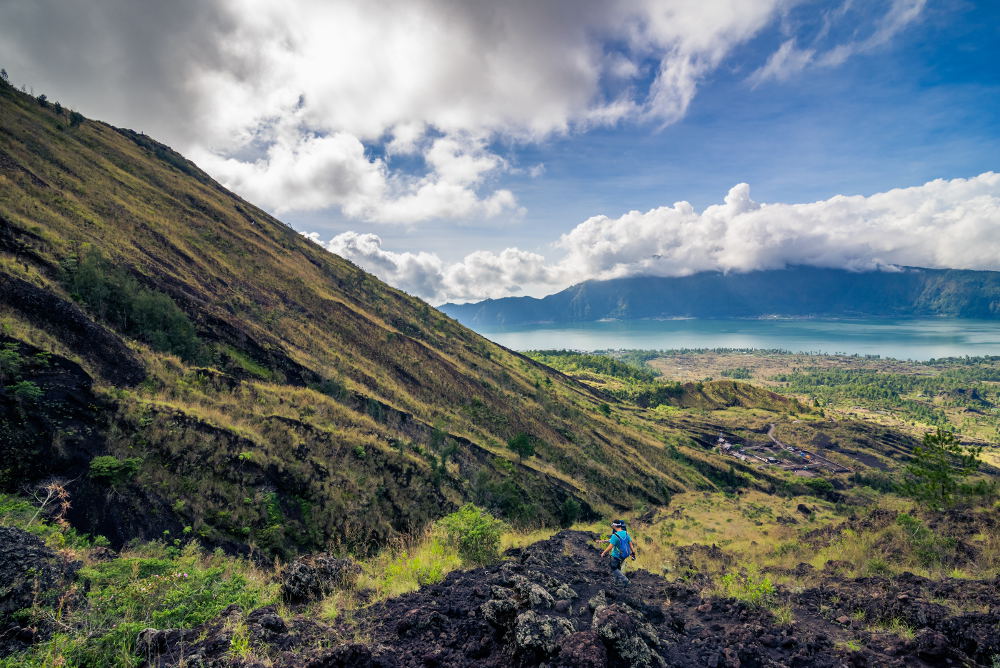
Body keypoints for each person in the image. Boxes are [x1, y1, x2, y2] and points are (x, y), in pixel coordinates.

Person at [598, 519, 637, 586]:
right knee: (618, 568)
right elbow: (630, 544)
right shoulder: (626, 533)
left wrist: (604, 553)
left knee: (613, 567)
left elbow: (610, 547)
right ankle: (616, 583)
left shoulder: (615, 535)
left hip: (616, 555)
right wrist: (633, 553)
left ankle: (626, 581)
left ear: (614, 526)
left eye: (612, 525)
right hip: (624, 554)